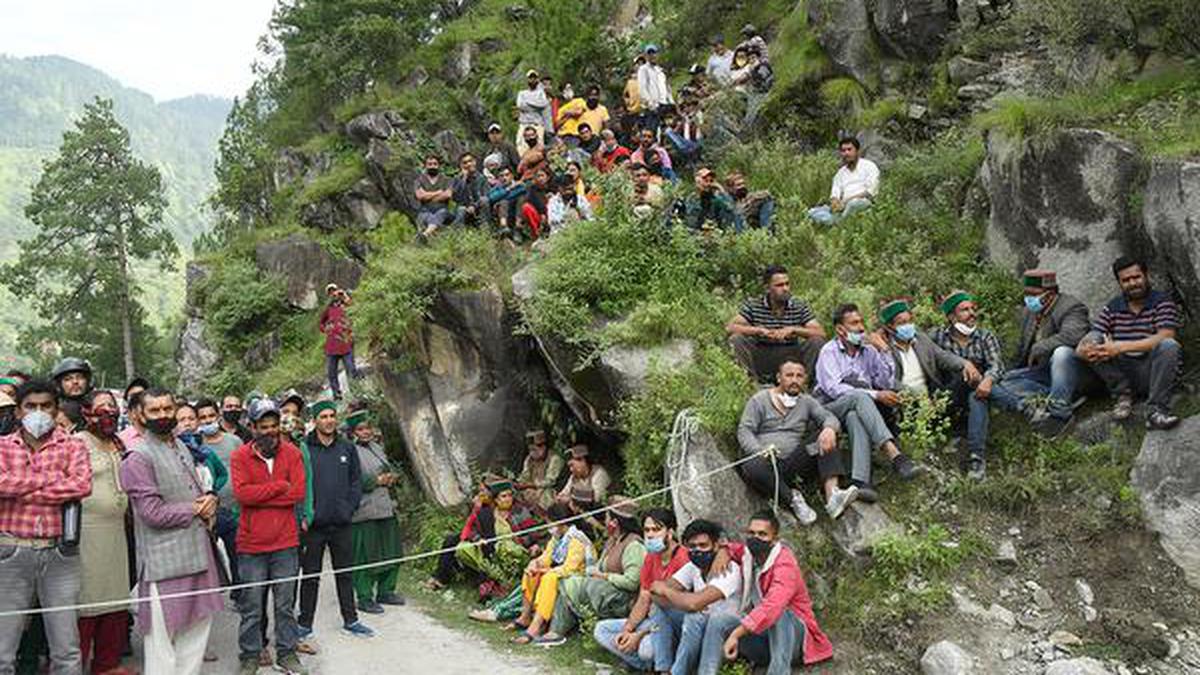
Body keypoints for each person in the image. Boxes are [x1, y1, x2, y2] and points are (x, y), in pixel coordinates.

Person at [120, 388, 223, 675]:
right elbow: (151, 513)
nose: (163, 415)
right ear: (141, 415)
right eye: (155, 410)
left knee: (196, 636)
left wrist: (210, 498)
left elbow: (197, 491)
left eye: (168, 408)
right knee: (162, 646)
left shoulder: (180, 445)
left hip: (198, 554)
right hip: (163, 563)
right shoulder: (137, 457)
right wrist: (196, 509)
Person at [0, 380, 92, 675]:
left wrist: (20, 487)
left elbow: (81, 484)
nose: (38, 412)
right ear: (18, 411)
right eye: (31, 406)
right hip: (11, 550)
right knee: (3, 647)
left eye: (45, 406)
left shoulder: (74, 445)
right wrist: (53, 482)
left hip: (60, 554)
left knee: (66, 648)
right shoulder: (2, 447)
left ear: (56, 410)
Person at [230, 398, 308, 675]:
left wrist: (261, 494)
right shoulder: (240, 456)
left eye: (274, 426)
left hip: (286, 542)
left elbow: (297, 494)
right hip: (251, 544)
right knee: (251, 605)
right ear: (252, 427)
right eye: (264, 426)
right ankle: (250, 655)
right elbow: (242, 495)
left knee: (285, 604)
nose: (271, 431)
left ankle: (287, 653)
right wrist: (278, 487)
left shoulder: (293, 453)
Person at [815, 303, 920, 500]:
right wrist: (875, 395)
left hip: (856, 408)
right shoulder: (829, 351)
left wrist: (884, 351)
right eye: (854, 323)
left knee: (856, 415)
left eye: (862, 322)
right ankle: (894, 455)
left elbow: (885, 382)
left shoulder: (869, 351)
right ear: (840, 329)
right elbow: (833, 388)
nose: (861, 328)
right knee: (860, 395)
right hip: (829, 408)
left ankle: (861, 481)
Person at [738, 360, 859, 525]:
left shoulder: (807, 401)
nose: (794, 380)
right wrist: (759, 450)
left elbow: (828, 417)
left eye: (799, 376)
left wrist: (829, 429)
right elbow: (745, 430)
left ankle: (833, 497)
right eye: (789, 375)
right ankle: (793, 499)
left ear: (805, 379)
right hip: (766, 463)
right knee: (752, 465)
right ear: (779, 378)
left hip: (794, 463)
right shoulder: (759, 400)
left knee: (825, 436)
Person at [717, 511, 833, 674]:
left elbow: (772, 607)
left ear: (775, 539)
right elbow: (734, 548)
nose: (755, 538)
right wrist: (723, 550)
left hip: (795, 641)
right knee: (722, 622)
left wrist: (736, 634)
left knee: (779, 614)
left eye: (762, 534)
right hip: (766, 641)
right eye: (751, 533)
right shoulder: (749, 555)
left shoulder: (784, 563)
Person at [1076, 257, 1182, 430]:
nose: (1132, 283)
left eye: (1136, 277)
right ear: (1119, 283)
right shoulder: (1113, 307)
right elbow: (1085, 344)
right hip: (1123, 374)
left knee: (1169, 345)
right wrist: (1086, 350)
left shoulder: (1162, 302)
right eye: (1126, 280)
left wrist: (1118, 347)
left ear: (1145, 276)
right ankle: (1123, 396)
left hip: (1153, 371)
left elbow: (1166, 335)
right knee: (1094, 340)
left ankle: (1156, 411)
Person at [297, 400, 373, 639]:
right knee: (310, 576)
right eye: (323, 416)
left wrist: (348, 508)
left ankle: (351, 619)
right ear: (315, 420)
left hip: (341, 523)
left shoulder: (347, 447)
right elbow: (299, 484)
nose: (329, 420)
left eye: (332, 416)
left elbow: (355, 481)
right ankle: (304, 624)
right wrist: (304, 514)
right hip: (314, 526)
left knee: (345, 573)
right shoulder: (304, 448)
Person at [986, 270, 1090, 436]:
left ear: (1050, 294)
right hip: (1042, 372)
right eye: (1026, 293)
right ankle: (1040, 403)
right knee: (1002, 381)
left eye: (1033, 294)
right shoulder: (1030, 312)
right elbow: (1022, 350)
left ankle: (1059, 413)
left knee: (1061, 353)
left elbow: (1074, 335)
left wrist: (1040, 347)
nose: (1028, 298)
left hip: (1072, 371)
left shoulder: (1071, 307)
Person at [74, 390, 134, 675]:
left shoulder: (118, 443)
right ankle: (75, 666)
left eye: (112, 407)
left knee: (116, 596)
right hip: (87, 534)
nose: (109, 412)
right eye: (101, 408)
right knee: (88, 600)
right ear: (86, 413)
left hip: (117, 533)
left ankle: (107, 664)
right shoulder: (77, 443)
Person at [535, 496, 645, 646]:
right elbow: (598, 567)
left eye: (607, 517)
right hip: (607, 588)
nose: (605, 522)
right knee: (569, 581)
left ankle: (555, 629)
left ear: (615, 522)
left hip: (623, 597)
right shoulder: (613, 540)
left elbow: (632, 582)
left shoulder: (634, 545)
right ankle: (555, 631)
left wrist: (604, 576)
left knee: (579, 585)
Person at [593, 508, 689, 673]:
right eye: (647, 530)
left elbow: (674, 608)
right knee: (601, 630)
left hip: (675, 623)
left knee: (646, 648)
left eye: (657, 529)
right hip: (652, 620)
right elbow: (644, 598)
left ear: (671, 532)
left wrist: (639, 634)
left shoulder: (683, 558)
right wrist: (628, 630)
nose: (650, 535)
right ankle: (644, 665)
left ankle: (659, 667)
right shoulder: (651, 557)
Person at [650, 519, 743, 675]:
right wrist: (685, 601)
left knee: (694, 617)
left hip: (725, 636)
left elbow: (692, 603)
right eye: (692, 546)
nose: (697, 550)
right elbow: (654, 595)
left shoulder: (729, 569)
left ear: (715, 546)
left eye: (703, 545)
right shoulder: (693, 567)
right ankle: (663, 669)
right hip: (699, 627)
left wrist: (669, 593)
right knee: (662, 609)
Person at [930, 291, 1006, 478]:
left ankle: (976, 459)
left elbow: (996, 364)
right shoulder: (937, 337)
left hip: (978, 393)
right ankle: (1022, 406)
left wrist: (987, 381)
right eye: (965, 310)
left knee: (976, 396)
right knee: (967, 379)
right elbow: (911, 343)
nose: (972, 313)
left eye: (972, 309)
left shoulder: (985, 336)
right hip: (948, 396)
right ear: (951, 316)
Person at [346, 410, 406, 614]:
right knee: (364, 554)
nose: (365, 432)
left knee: (391, 549)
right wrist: (375, 481)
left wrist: (390, 478)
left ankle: (386, 590)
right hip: (363, 510)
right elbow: (349, 480)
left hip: (385, 506)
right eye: (360, 429)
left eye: (367, 428)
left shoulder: (377, 447)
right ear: (353, 432)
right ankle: (364, 596)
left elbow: (384, 469)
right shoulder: (348, 451)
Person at [511, 503, 594, 644]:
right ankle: (525, 616)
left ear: (561, 522)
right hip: (562, 573)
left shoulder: (577, 539)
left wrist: (544, 570)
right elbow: (546, 558)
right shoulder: (557, 538)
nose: (549, 526)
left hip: (580, 577)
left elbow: (569, 568)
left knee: (549, 578)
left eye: (550, 523)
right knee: (531, 573)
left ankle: (535, 627)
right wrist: (535, 564)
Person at [427, 478, 529, 593]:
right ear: (495, 499)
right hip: (488, 548)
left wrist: (522, 542)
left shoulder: (519, 511)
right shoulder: (486, 511)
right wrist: (478, 539)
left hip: (511, 550)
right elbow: (471, 527)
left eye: (510, 496)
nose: (508, 499)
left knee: (507, 549)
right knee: (457, 545)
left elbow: (531, 533)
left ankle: (493, 580)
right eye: (504, 496)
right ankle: (444, 578)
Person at [727, 265, 826, 383]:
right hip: (762, 352)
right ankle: (749, 383)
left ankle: (804, 384)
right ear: (768, 288)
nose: (785, 288)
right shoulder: (754, 305)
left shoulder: (799, 306)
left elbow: (820, 333)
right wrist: (759, 331)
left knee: (816, 341)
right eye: (779, 285)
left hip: (790, 354)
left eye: (787, 284)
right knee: (736, 339)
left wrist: (793, 330)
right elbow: (730, 327)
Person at [807, 137, 880, 226]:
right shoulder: (840, 173)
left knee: (853, 204)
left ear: (857, 151)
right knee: (811, 211)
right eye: (843, 150)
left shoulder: (869, 166)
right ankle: (835, 221)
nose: (846, 153)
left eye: (849, 150)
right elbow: (835, 193)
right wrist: (835, 203)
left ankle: (837, 223)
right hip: (842, 207)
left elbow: (870, 192)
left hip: (862, 202)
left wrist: (846, 201)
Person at [319, 285, 360, 401]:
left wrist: (344, 296)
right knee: (331, 372)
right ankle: (337, 395)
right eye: (330, 292)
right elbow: (321, 323)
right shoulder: (328, 308)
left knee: (351, 369)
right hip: (331, 345)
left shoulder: (346, 304)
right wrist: (325, 329)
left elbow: (355, 309)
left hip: (346, 342)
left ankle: (357, 393)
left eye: (334, 291)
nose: (333, 293)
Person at [515, 430, 564, 511]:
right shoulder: (529, 459)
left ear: (543, 447)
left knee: (545, 494)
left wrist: (531, 485)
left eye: (534, 449)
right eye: (530, 450)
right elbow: (524, 476)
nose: (532, 453)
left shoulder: (554, 458)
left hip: (549, 491)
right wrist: (519, 483)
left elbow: (550, 481)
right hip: (530, 489)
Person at [681, 167, 740, 232]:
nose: (708, 184)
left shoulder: (715, 200)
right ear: (697, 182)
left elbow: (731, 209)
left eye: (711, 181)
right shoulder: (690, 199)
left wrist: (721, 190)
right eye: (705, 180)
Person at [414, 154, 453, 238]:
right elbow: (420, 196)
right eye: (430, 164)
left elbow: (448, 195)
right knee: (427, 216)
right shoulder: (419, 180)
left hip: (443, 211)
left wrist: (427, 195)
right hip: (424, 212)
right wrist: (438, 192)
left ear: (439, 165)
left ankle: (425, 235)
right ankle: (427, 234)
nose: (433, 166)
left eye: (435, 164)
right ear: (425, 166)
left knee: (441, 213)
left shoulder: (446, 180)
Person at [637, 44, 674, 132]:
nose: (652, 56)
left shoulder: (660, 70)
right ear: (646, 56)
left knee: (666, 130)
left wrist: (671, 101)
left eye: (654, 53)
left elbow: (666, 87)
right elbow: (643, 89)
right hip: (653, 107)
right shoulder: (643, 69)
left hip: (664, 105)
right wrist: (651, 105)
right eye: (649, 53)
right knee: (651, 131)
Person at [51, 358, 92, 429]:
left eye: (80, 377)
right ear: (59, 384)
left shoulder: (96, 405)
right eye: (68, 379)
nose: (75, 382)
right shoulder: (53, 410)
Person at [515, 69, 549, 148]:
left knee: (539, 146)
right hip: (524, 123)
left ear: (537, 79)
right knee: (520, 145)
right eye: (530, 78)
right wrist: (535, 104)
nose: (532, 80)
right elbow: (520, 105)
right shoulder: (522, 93)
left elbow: (543, 104)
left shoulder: (541, 92)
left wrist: (527, 101)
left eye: (534, 78)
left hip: (537, 124)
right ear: (527, 79)